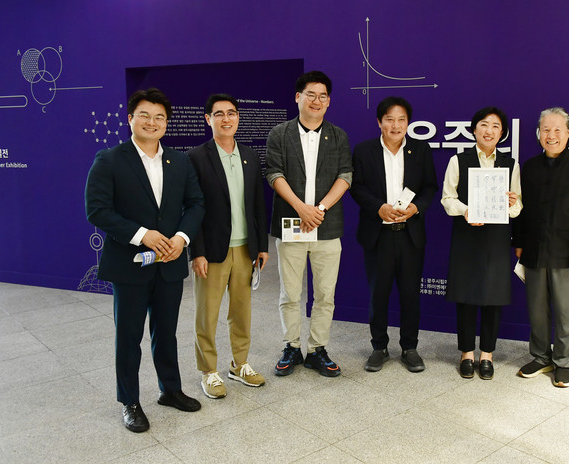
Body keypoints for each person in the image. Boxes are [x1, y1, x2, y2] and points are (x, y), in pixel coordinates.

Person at [85, 88, 205, 433]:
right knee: (129, 336)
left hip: (169, 262)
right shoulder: (109, 160)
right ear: (130, 119)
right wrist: (142, 234)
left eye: (159, 117)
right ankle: (130, 401)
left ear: (166, 123)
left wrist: (181, 239)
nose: (152, 122)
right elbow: (97, 210)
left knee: (166, 332)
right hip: (130, 264)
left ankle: (170, 390)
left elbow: (196, 204)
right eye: (145, 115)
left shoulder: (179, 161)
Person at [266, 71, 352, 377]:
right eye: (310, 94)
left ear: (328, 102)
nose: (316, 100)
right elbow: (274, 173)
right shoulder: (280, 133)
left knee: (325, 294)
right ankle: (291, 345)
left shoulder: (338, 136)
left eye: (322, 96)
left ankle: (317, 349)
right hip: (292, 222)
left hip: (326, 226)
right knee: (290, 293)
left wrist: (320, 209)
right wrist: (302, 208)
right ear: (297, 97)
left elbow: (345, 176)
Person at [187, 94, 269, 399]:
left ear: (238, 117)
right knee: (207, 314)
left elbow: (258, 204)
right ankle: (209, 370)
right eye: (219, 113)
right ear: (208, 119)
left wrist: (261, 245)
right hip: (212, 251)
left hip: (245, 248)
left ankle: (240, 364)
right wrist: (197, 251)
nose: (226, 118)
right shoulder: (196, 157)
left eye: (231, 113)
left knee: (241, 311)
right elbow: (191, 208)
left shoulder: (249, 155)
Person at [513, 107, 569, 388]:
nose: (551, 135)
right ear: (539, 134)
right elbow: (521, 210)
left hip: (567, 253)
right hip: (534, 250)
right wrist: (519, 243)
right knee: (536, 310)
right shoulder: (529, 167)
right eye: (546, 130)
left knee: (565, 311)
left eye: (557, 130)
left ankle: (563, 362)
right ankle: (541, 357)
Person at [351, 96, 437, 373]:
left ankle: (410, 348)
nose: (396, 125)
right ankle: (379, 347)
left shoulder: (420, 150)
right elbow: (357, 187)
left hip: (410, 234)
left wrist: (415, 208)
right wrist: (379, 207)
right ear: (380, 122)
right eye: (389, 119)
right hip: (378, 234)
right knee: (378, 294)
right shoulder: (364, 151)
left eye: (401, 120)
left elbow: (429, 187)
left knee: (410, 294)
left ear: (408, 123)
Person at [442, 107, 522, 380]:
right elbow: (447, 198)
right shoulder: (458, 160)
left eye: (496, 126)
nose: (489, 131)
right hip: (467, 235)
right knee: (465, 295)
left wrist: (511, 203)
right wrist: (466, 211)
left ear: (502, 133)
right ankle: (466, 353)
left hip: (496, 238)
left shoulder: (510, 165)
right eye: (484, 125)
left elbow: (518, 207)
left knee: (493, 296)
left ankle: (487, 354)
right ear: (474, 129)